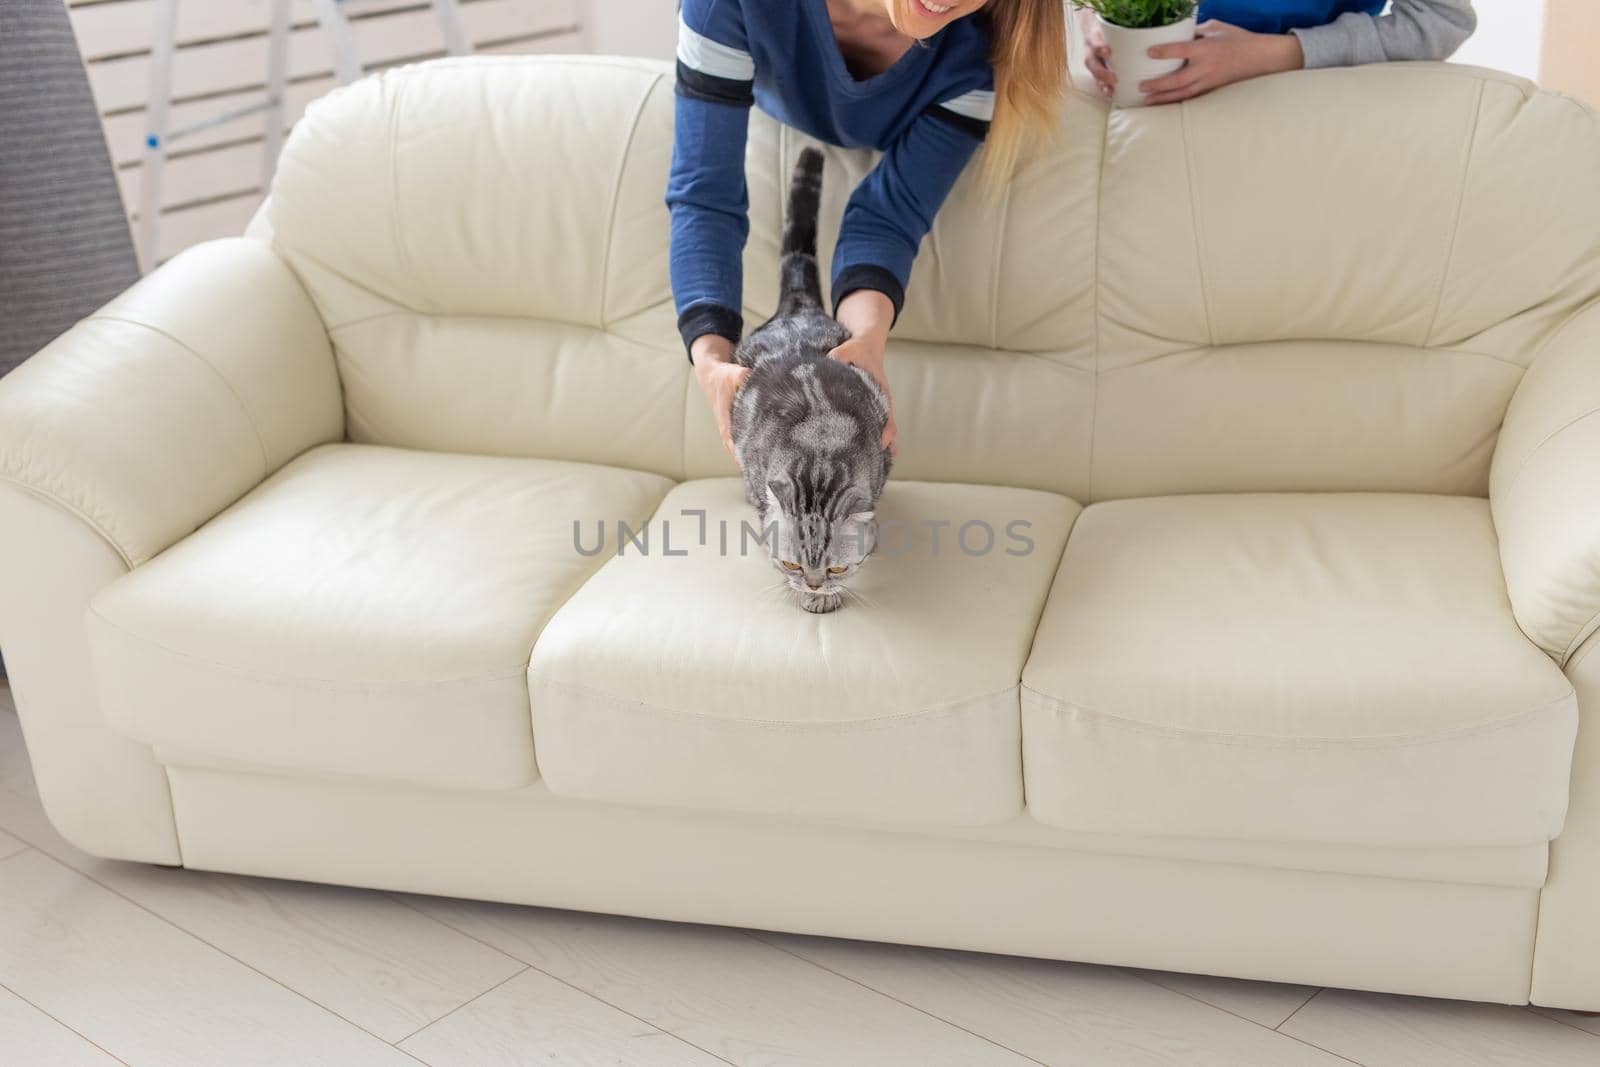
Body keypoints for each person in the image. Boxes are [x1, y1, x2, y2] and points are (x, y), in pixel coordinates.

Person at [669, 0, 1066, 458]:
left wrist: (865, 342)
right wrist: (711, 358)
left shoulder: (973, 66)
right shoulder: (726, 7)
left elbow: (886, 221)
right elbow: (706, 194)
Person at [1080, 1, 1478, 106]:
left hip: (1312, 96)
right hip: (1152, 98)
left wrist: (1276, 53)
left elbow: (1440, 20)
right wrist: (1100, 22)